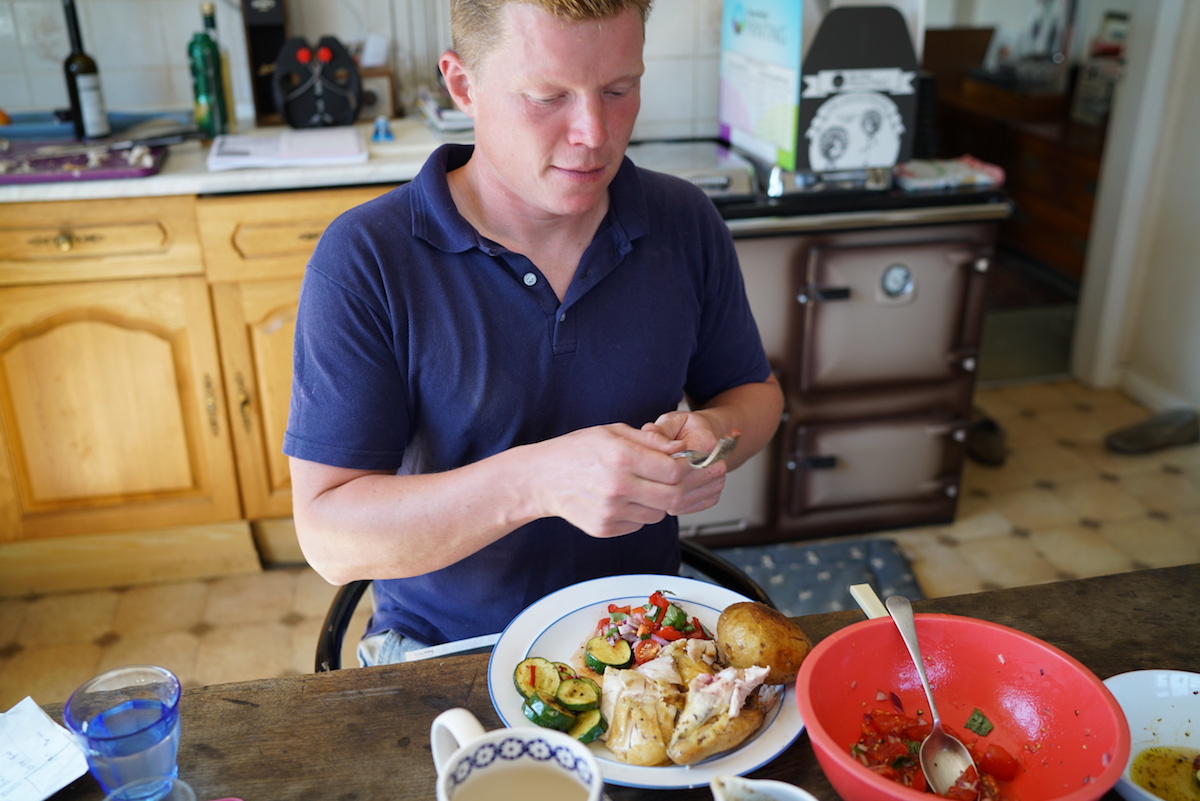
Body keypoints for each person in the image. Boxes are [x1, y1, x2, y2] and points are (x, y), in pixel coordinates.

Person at [283, 0, 784, 665]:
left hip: (645, 639)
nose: (593, 133)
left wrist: (714, 436)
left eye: (619, 89)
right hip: (444, 650)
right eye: (547, 97)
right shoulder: (366, 257)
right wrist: (540, 481)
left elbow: (755, 393)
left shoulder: (683, 222)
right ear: (463, 85)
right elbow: (330, 539)